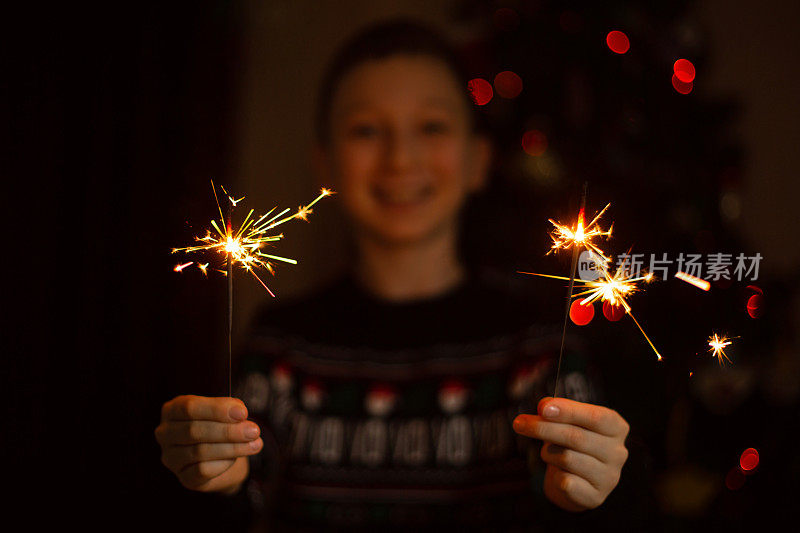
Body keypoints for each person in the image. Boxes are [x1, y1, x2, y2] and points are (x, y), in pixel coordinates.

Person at [155, 20, 640, 530]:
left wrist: (595, 489)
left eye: (431, 127)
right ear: (326, 165)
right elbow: (243, 493)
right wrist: (213, 478)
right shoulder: (282, 348)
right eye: (366, 130)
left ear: (479, 160)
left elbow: (595, 499)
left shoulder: (539, 342)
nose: (401, 159)